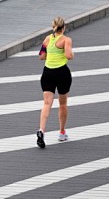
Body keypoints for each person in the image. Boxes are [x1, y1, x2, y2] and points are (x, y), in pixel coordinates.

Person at [37, 16, 74, 148]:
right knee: (62, 104)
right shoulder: (66, 40)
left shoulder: (48, 39)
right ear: (63, 28)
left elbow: (41, 56)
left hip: (47, 73)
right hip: (62, 73)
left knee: (47, 103)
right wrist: (68, 53)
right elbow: (69, 56)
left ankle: (41, 130)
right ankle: (62, 132)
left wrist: (50, 53)